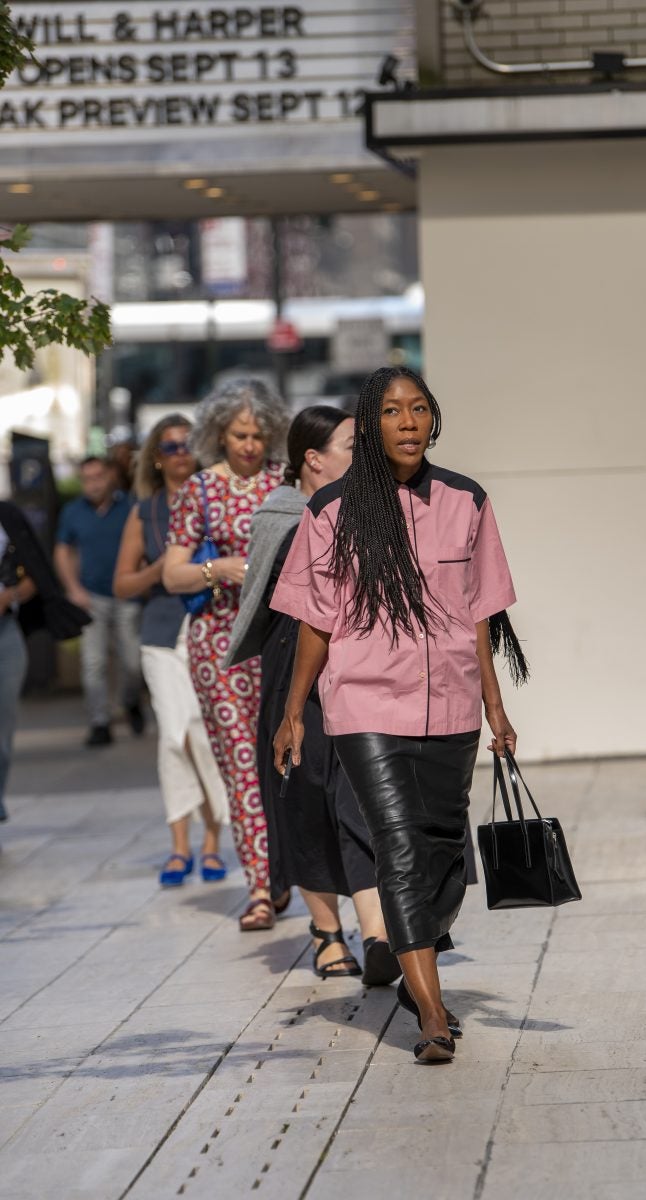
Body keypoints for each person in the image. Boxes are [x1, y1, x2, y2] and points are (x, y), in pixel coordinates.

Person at [272, 366, 527, 1063]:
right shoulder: (330, 511)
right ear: (371, 422)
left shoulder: (467, 501)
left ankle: (421, 940)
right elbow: (316, 624)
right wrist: (295, 711)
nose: (408, 421)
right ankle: (433, 1015)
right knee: (401, 845)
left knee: (444, 850)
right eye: (391, 411)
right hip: (363, 703)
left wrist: (495, 706)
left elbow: (480, 613)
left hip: (450, 700)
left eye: (419, 408)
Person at [226, 406, 400, 986]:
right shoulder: (280, 517)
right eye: (353, 445)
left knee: (360, 797)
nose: (365, 456)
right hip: (293, 677)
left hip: (358, 670)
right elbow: (277, 611)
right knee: (301, 797)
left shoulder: (373, 509)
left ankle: (375, 934)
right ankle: (327, 932)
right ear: (313, 458)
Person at [163, 379, 289, 931]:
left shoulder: (282, 484)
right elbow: (172, 573)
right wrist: (221, 569)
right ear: (219, 433)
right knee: (241, 764)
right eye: (240, 435)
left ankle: (288, 871)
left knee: (288, 760)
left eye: (258, 435)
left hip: (279, 638)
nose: (249, 445)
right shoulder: (200, 491)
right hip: (218, 643)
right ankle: (260, 886)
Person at [113, 415, 230, 888]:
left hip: (214, 627)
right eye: (170, 445)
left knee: (205, 734)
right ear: (156, 457)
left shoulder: (219, 501)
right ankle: (180, 844)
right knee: (172, 737)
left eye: (188, 445)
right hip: (161, 635)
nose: (180, 452)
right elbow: (122, 584)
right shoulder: (145, 512)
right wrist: (163, 567)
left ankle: (211, 843)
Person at [0, 500, 90, 821]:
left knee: (3, 725)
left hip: (6, 630)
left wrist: (10, 595)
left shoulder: (7, 514)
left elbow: (37, 570)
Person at [54, 457, 144, 747]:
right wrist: (72, 588)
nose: (93, 483)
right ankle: (99, 722)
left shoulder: (129, 507)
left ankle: (131, 702)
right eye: (87, 478)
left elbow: (144, 546)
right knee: (93, 663)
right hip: (91, 597)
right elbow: (62, 551)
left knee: (133, 662)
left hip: (126, 596)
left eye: (98, 477)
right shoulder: (73, 512)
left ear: (111, 477)